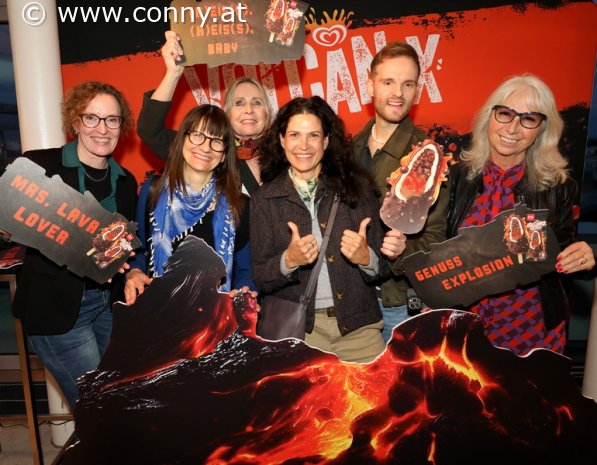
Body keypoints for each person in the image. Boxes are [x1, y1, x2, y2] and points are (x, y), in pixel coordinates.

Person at [446, 74, 596, 355]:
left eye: (528, 119)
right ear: (489, 116)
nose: (513, 128)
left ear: (541, 129)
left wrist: (583, 260)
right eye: (505, 113)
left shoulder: (558, 187)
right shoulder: (456, 178)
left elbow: (563, 254)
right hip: (463, 325)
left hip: (531, 328)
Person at [12, 81, 138, 408]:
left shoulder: (126, 181)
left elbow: (122, 245)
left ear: (121, 126)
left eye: (112, 119)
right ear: (75, 121)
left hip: (107, 304)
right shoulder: (39, 166)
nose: (102, 128)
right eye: (91, 117)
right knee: (99, 408)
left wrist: (128, 265)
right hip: (59, 310)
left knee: (119, 399)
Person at [251, 96, 395, 363]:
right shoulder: (265, 199)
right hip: (302, 334)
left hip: (360, 330)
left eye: (314, 135)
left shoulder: (357, 188)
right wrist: (288, 261)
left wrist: (368, 259)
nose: (304, 145)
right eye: (294, 135)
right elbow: (261, 277)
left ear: (326, 141)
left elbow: (385, 268)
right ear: (282, 140)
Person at [351, 41, 449, 342]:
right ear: (370, 86)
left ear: (417, 92)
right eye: (388, 82)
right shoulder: (349, 149)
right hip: (352, 302)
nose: (398, 93)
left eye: (407, 84)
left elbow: (437, 242)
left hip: (397, 305)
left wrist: (404, 249)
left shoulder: (428, 156)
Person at [125, 104, 255, 305]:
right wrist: (134, 271)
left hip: (214, 314)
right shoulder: (153, 190)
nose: (205, 147)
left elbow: (245, 270)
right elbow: (138, 249)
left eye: (216, 141)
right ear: (182, 139)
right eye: (197, 135)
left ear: (223, 154)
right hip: (158, 310)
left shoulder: (240, 205)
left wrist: (245, 290)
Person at [137, 31, 273, 196]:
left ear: (267, 112)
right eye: (239, 103)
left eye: (257, 102)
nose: (249, 109)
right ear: (227, 114)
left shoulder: (285, 151)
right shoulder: (207, 151)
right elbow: (150, 129)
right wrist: (173, 73)